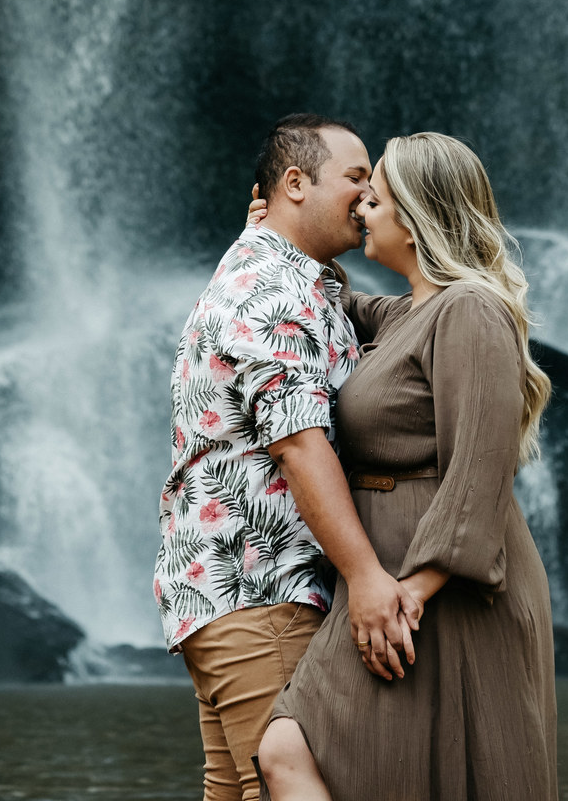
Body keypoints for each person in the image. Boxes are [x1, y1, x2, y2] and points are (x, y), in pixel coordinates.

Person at [256, 132, 558, 801]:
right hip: (391, 579)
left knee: (289, 750)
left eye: (376, 199)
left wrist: (409, 594)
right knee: (315, 757)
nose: (362, 208)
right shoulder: (407, 315)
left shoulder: (469, 309)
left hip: (440, 589)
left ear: (417, 218)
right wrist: (278, 238)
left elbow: (481, 469)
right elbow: (334, 301)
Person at [155, 114, 422, 801]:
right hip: (265, 589)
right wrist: (364, 575)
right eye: (356, 178)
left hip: (228, 593)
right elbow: (299, 444)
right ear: (296, 183)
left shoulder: (290, 278)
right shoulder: (274, 291)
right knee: (294, 784)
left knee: (244, 789)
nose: (369, 197)